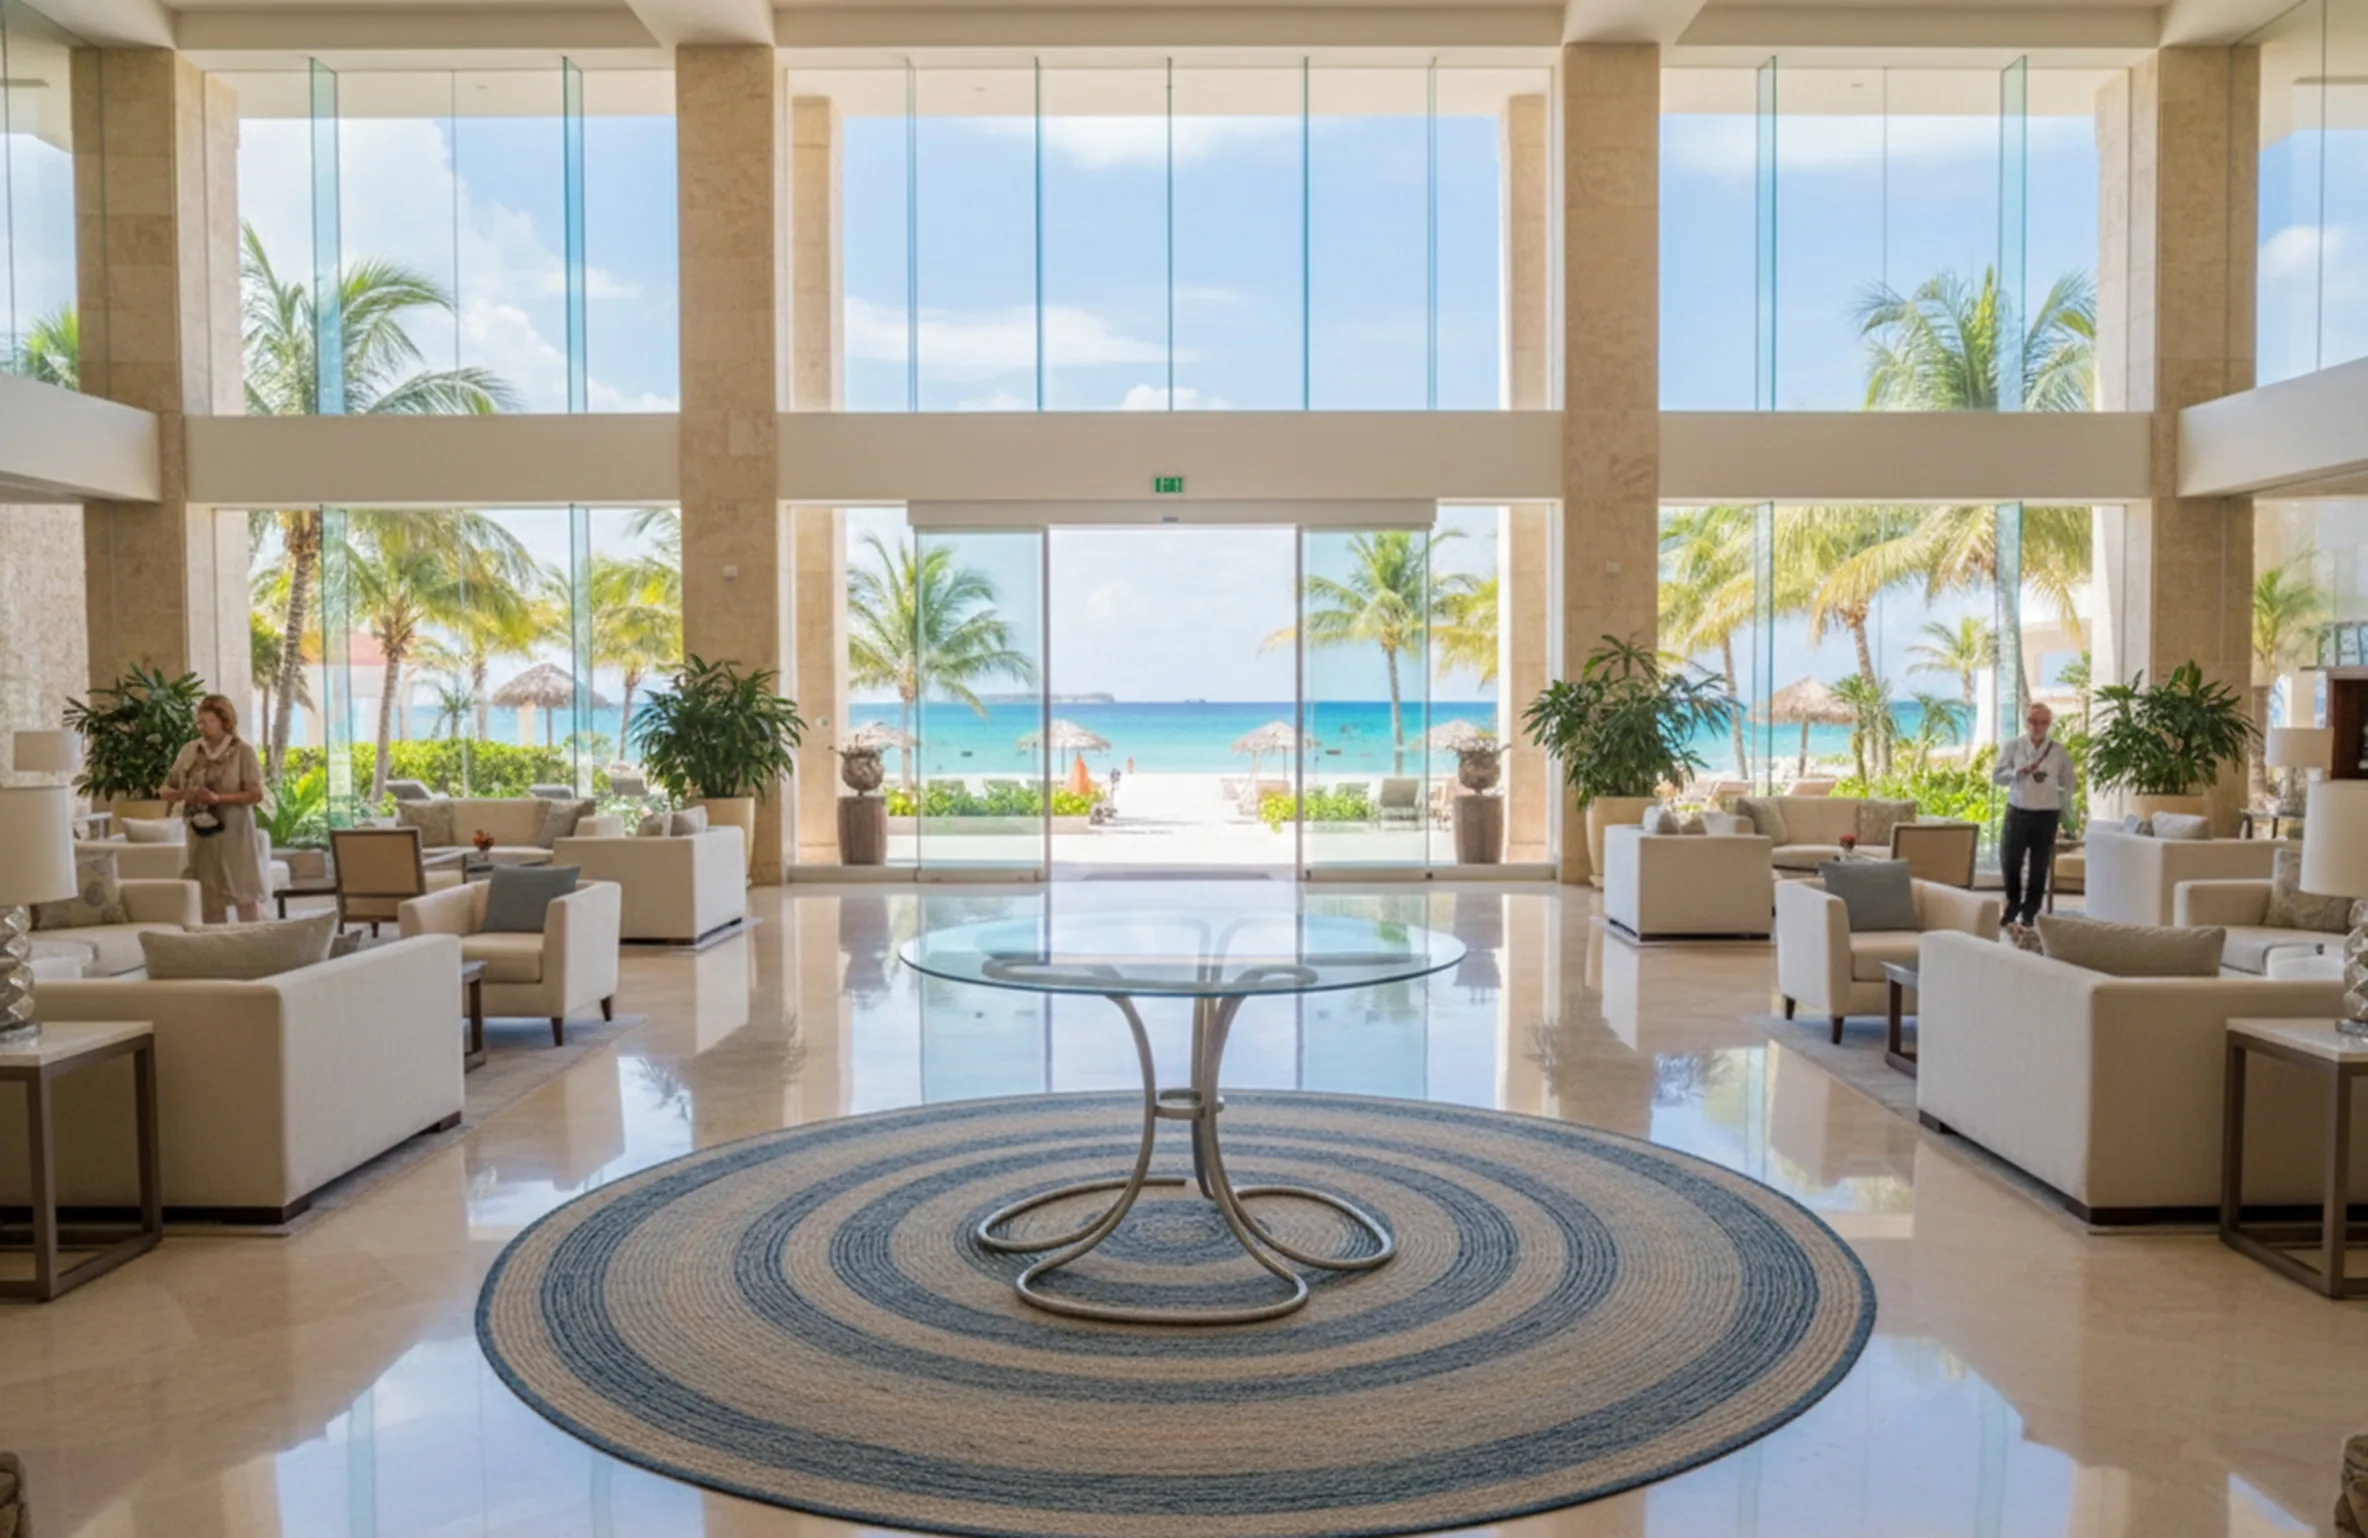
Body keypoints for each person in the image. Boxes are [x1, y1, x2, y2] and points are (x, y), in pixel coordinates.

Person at [162, 694, 268, 924]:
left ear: (224, 720)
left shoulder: (242, 752)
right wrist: (183, 794)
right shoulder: (190, 750)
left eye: (210, 721)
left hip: (235, 832)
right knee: (208, 894)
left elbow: (255, 794)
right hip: (200, 833)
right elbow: (166, 787)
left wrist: (218, 798)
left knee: (243, 890)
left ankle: (254, 944)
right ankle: (216, 947)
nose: (204, 727)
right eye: (201, 722)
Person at [1992, 701, 2076, 939]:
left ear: (2049, 724)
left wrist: (2062, 803)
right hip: (2018, 809)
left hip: (2047, 812)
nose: (2037, 727)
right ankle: (2012, 904)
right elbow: (1997, 776)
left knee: (2039, 864)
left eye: (2043, 722)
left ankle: (2030, 911)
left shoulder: (2058, 750)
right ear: (2026, 721)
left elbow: (2069, 781)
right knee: (2010, 860)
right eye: (2033, 721)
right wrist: (2016, 773)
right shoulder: (2013, 746)